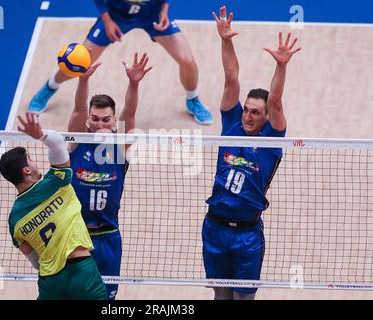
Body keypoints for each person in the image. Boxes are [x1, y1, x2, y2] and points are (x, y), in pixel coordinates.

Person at [202, 6, 301, 300]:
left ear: (266, 116)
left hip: (247, 235)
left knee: (243, 299)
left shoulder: (272, 139)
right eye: (246, 109)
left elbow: (278, 101)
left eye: (255, 112)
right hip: (214, 226)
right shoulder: (231, 125)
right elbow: (231, 78)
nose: (247, 116)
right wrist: (225, 40)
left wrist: (281, 66)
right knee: (220, 297)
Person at [29, 0, 213, 125]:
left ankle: (193, 99)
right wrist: (107, 21)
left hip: (151, 15)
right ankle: (50, 86)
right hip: (116, 16)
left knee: (188, 61)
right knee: (80, 63)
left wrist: (164, 9)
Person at [66, 52, 152, 300]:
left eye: (106, 120)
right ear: (87, 121)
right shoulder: (75, 143)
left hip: (108, 238)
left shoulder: (118, 147)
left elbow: (131, 112)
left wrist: (134, 83)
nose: (100, 124)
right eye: (95, 119)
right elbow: (78, 109)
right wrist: (83, 81)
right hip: (75, 237)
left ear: (114, 122)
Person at [0, 112, 108, 300]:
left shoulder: (14, 220)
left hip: (50, 283)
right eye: (30, 159)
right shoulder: (56, 182)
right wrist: (40, 134)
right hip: (82, 272)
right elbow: (57, 142)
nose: (34, 162)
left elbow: (35, 262)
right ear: (26, 170)